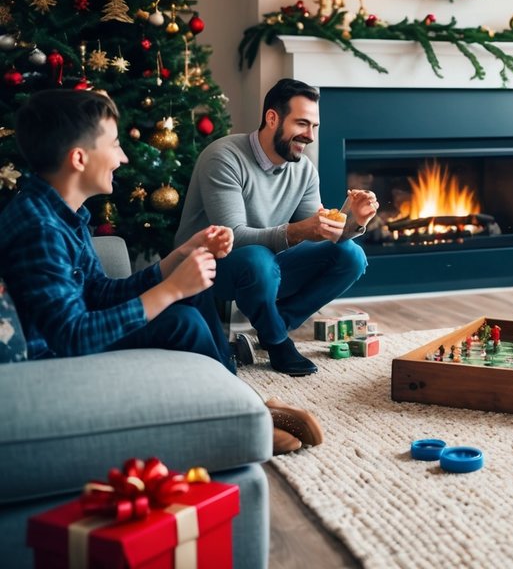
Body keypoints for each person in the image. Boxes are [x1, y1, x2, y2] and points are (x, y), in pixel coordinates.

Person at [0, 89, 232, 368]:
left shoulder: (64, 212)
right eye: (114, 145)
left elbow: (98, 292)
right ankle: (244, 407)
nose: (122, 158)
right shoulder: (40, 229)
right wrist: (170, 289)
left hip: (72, 337)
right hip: (50, 358)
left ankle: (241, 399)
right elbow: (71, 336)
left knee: (195, 288)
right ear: (79, 159)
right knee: (183, 322)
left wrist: (179, 258)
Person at [175, 78, 377, 376]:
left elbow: (318, 232)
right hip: (210, 265)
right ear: (272, 118)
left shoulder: (304, 169)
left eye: (314, 127)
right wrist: (299, 231)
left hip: (267, 265)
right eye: (302, 124)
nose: (309, 136)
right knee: (257, 258)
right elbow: (232, 236)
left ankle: (277, 321)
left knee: (351, 256)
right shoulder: (224, 157)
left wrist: (354, 221)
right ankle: (277, 340)